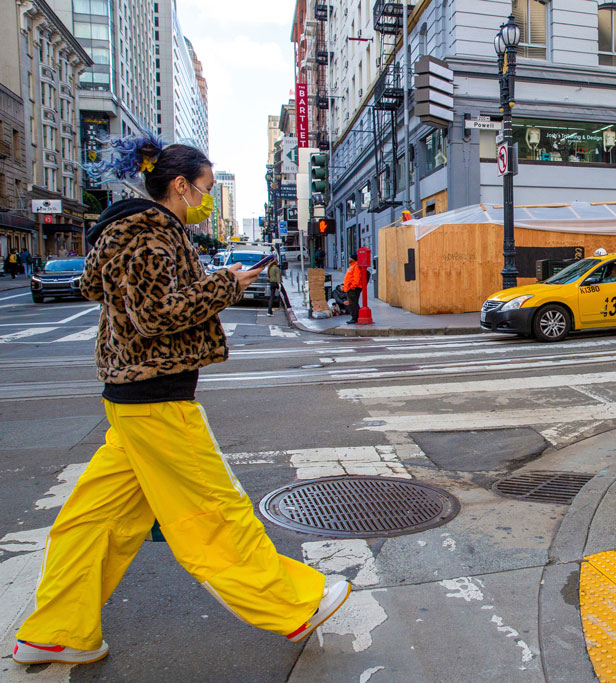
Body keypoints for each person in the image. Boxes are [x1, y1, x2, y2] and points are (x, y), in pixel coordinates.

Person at [12, 133, 349, 667]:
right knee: (211, 511)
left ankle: (58, 629)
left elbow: (102, 291)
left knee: (92, 521)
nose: (207, 199)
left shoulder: (125, 231)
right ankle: (292, 604)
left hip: (130, 396)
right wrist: (227, 284)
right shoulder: (150, 234)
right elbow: (159, 314)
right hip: (156, 396)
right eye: (205, 188)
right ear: (179, 185)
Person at [343, 254, 365, 325]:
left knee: (353, 304)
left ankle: (354, 318)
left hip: (353, 289)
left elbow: (357, 278)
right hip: (350, 288)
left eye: (350, 257)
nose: (349, 258)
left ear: (353, 259)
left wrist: (352, 287)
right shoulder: (352, 266)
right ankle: (356, 316)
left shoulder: (355, 267)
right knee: (353, 303)